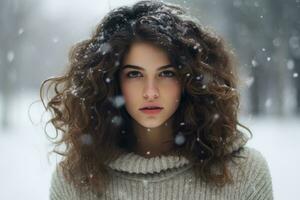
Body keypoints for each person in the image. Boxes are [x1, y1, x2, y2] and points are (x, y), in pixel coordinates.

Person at [41, 0, 273, 199]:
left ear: (189, 80)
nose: (150, 92)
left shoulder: (244, 173)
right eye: (134, 74)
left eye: (166, 73)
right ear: (111, 82)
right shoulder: (74, 181)